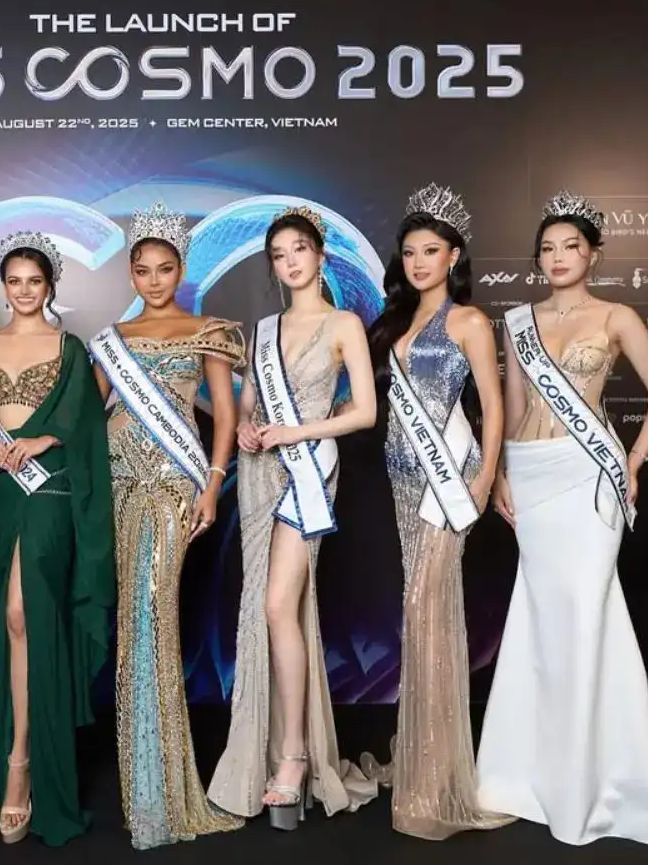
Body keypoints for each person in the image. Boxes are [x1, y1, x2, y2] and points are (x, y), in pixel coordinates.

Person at [476, 190, 648, 846]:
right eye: (547, 249)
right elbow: (515, 405)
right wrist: (501, 474)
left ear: (593, 254)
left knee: (587, 617)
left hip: (589, 478)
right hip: (532, 475)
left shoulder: (616, 316)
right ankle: (529, 773)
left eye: (570, 246)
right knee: (539, 622)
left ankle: (594, 781)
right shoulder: (517, 321)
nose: (558, 257)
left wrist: (632, 460)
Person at [207, 206, 379, 830]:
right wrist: (249, 429)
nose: (290, 262)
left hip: (308, 472)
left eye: (299, 249)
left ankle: (294, 755)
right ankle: (264, 747)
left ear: (320, 254)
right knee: (266, 608)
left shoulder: (344, 324)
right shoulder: (262, 329)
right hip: (260, 475)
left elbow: (364, 412)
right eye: (279, 255)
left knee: (280, 605)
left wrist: (295, 432)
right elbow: (252, 404)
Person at [90, 201, 245, 849]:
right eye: (143, 270)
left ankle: (163, 786)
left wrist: (212, 485)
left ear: (181, 270)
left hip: (173, 486)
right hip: (117, 483)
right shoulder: (112, 340)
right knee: (134, 622)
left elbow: (226, 418)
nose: (154, 280)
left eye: (165, 268)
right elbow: (90, 415)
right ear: (131, 274)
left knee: (156, 617)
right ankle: (143, 781)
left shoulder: (208, 330)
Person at [361, 184, 513, 839]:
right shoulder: (395, 321)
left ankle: (439, 774)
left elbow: (493, 405)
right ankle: (423, 755)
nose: (420, 262)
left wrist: (484, 478)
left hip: (448, 481)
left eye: (431, 251)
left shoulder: (469, 321)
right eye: (411, 252)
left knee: (429, 609)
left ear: (453, 255)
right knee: (417, 612)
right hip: (401, 480)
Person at [0, 231, 115, 847]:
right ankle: (15, 749)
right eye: (14, 281)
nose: (24, 291)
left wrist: (47, 438)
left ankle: (22, 763)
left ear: (50, 286)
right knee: (11, 621)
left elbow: (85, 424)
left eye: (35, 281)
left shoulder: (71, 348)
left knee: (25, 613)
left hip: (49, 489)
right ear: (4, 287)